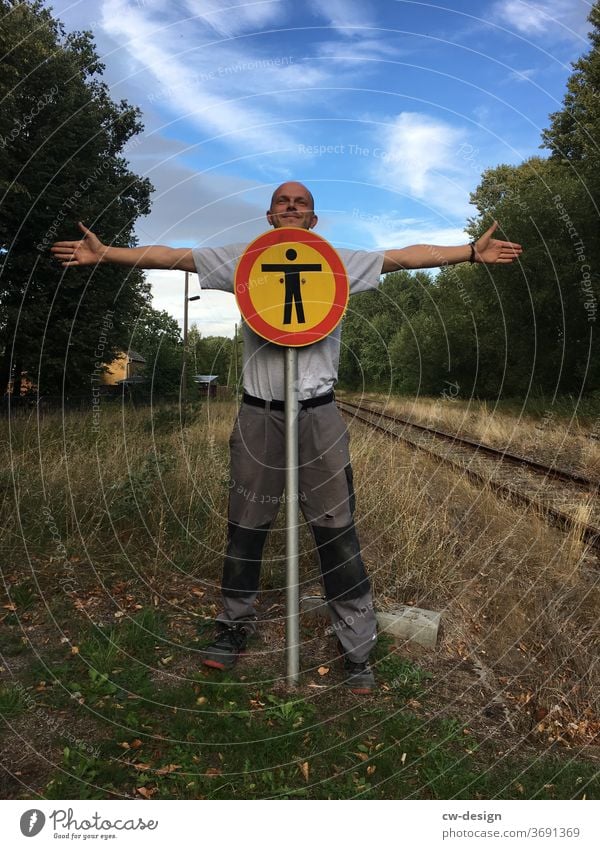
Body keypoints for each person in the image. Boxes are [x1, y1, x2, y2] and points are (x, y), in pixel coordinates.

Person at [51, 181, 522, 693]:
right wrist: (107, 255)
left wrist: (470, 254)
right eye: (283, 201)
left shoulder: (338, 261)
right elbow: (173, 256)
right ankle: (233, 627)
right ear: (270, 217)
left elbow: (403, 257)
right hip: (259, 415)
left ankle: (357, 650)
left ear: (313, 221)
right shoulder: (243, 259)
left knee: (336, 530)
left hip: (319, 415)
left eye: (301, 202)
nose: (292, 206)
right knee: (246, 525)